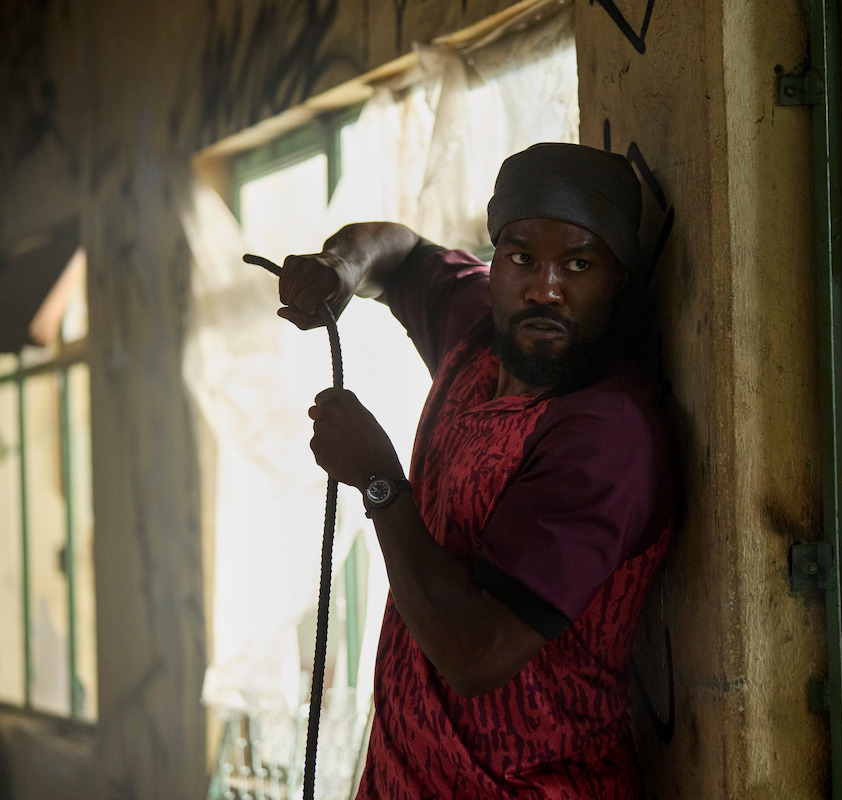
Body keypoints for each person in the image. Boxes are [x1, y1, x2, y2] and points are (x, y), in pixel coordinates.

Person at [277, 142, 677, 799]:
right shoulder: (479, 335)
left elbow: (475, 652)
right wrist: (339, 266)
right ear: (493, 263)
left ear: (619, 279)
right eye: (522, 258)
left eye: (578, 264)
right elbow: (402, 254)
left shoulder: (608, 437)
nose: (545, 287)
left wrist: (380, 481)